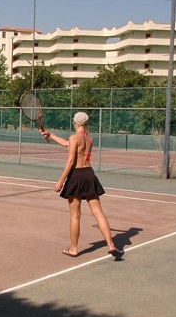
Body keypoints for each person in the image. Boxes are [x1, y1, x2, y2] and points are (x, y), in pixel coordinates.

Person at [42, 111, 123, 259]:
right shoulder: (89, 139)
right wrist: (51, 135)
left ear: (75, 122)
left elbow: (71, 161)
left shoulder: (74, 138)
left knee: (75, 215)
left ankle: (74, 249)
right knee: (98, 212)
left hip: (76, 176)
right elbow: (67, 144)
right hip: (89, 175)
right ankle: (111, 244)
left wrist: (61, 180)